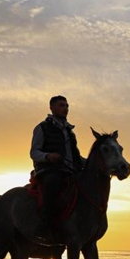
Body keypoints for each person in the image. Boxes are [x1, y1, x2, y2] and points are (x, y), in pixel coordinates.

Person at [30, 95, 86, 241]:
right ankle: (44, 226)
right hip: (49, 171)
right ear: (52, 108)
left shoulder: (70, 132)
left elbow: (76, 157)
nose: (65, 108)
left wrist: (91, 163)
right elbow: (34, 152)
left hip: (70, 171)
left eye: (67, 106)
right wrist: (48, 156)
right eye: (62, 105)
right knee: (52, 184)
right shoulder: (42, 127)